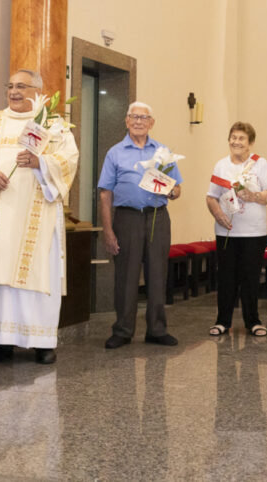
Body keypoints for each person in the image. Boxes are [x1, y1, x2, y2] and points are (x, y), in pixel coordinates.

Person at [0, 69, 79, 365]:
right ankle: (0, 343)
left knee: (38, 273)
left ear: (37, 91)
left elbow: (69, 161)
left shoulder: (53, 125)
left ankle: (42, 342)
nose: (14, 92)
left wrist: (41, 162)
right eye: (11, 86)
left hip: (37, 216)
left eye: (22, 86)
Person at [98, 102, 183, 349]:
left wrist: (172, 191)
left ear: (151, 123)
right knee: (126, 276)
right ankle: (123, 330)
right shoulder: (115, 152)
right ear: (126, 121)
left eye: (143, 117)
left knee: (158, 274)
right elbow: (105, 194)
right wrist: (108, 230)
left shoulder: (163, 152)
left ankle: (157, 329)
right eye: (133, 117)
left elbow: (177, 188)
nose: (138, 121)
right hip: (127, 218)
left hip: (157, 216)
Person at [206, 122, 267, 337]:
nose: (236, 142)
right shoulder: (220, 165)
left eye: (241, 138)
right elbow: (211, 197)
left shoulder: (260, 164)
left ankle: (253, 321)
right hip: (226, 230)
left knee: (250, 277)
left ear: (250, 143)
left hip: (253, 232)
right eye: (233, 137)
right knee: (226, 277)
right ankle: (222, 321)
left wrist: (256, 196)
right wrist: (217, 213)